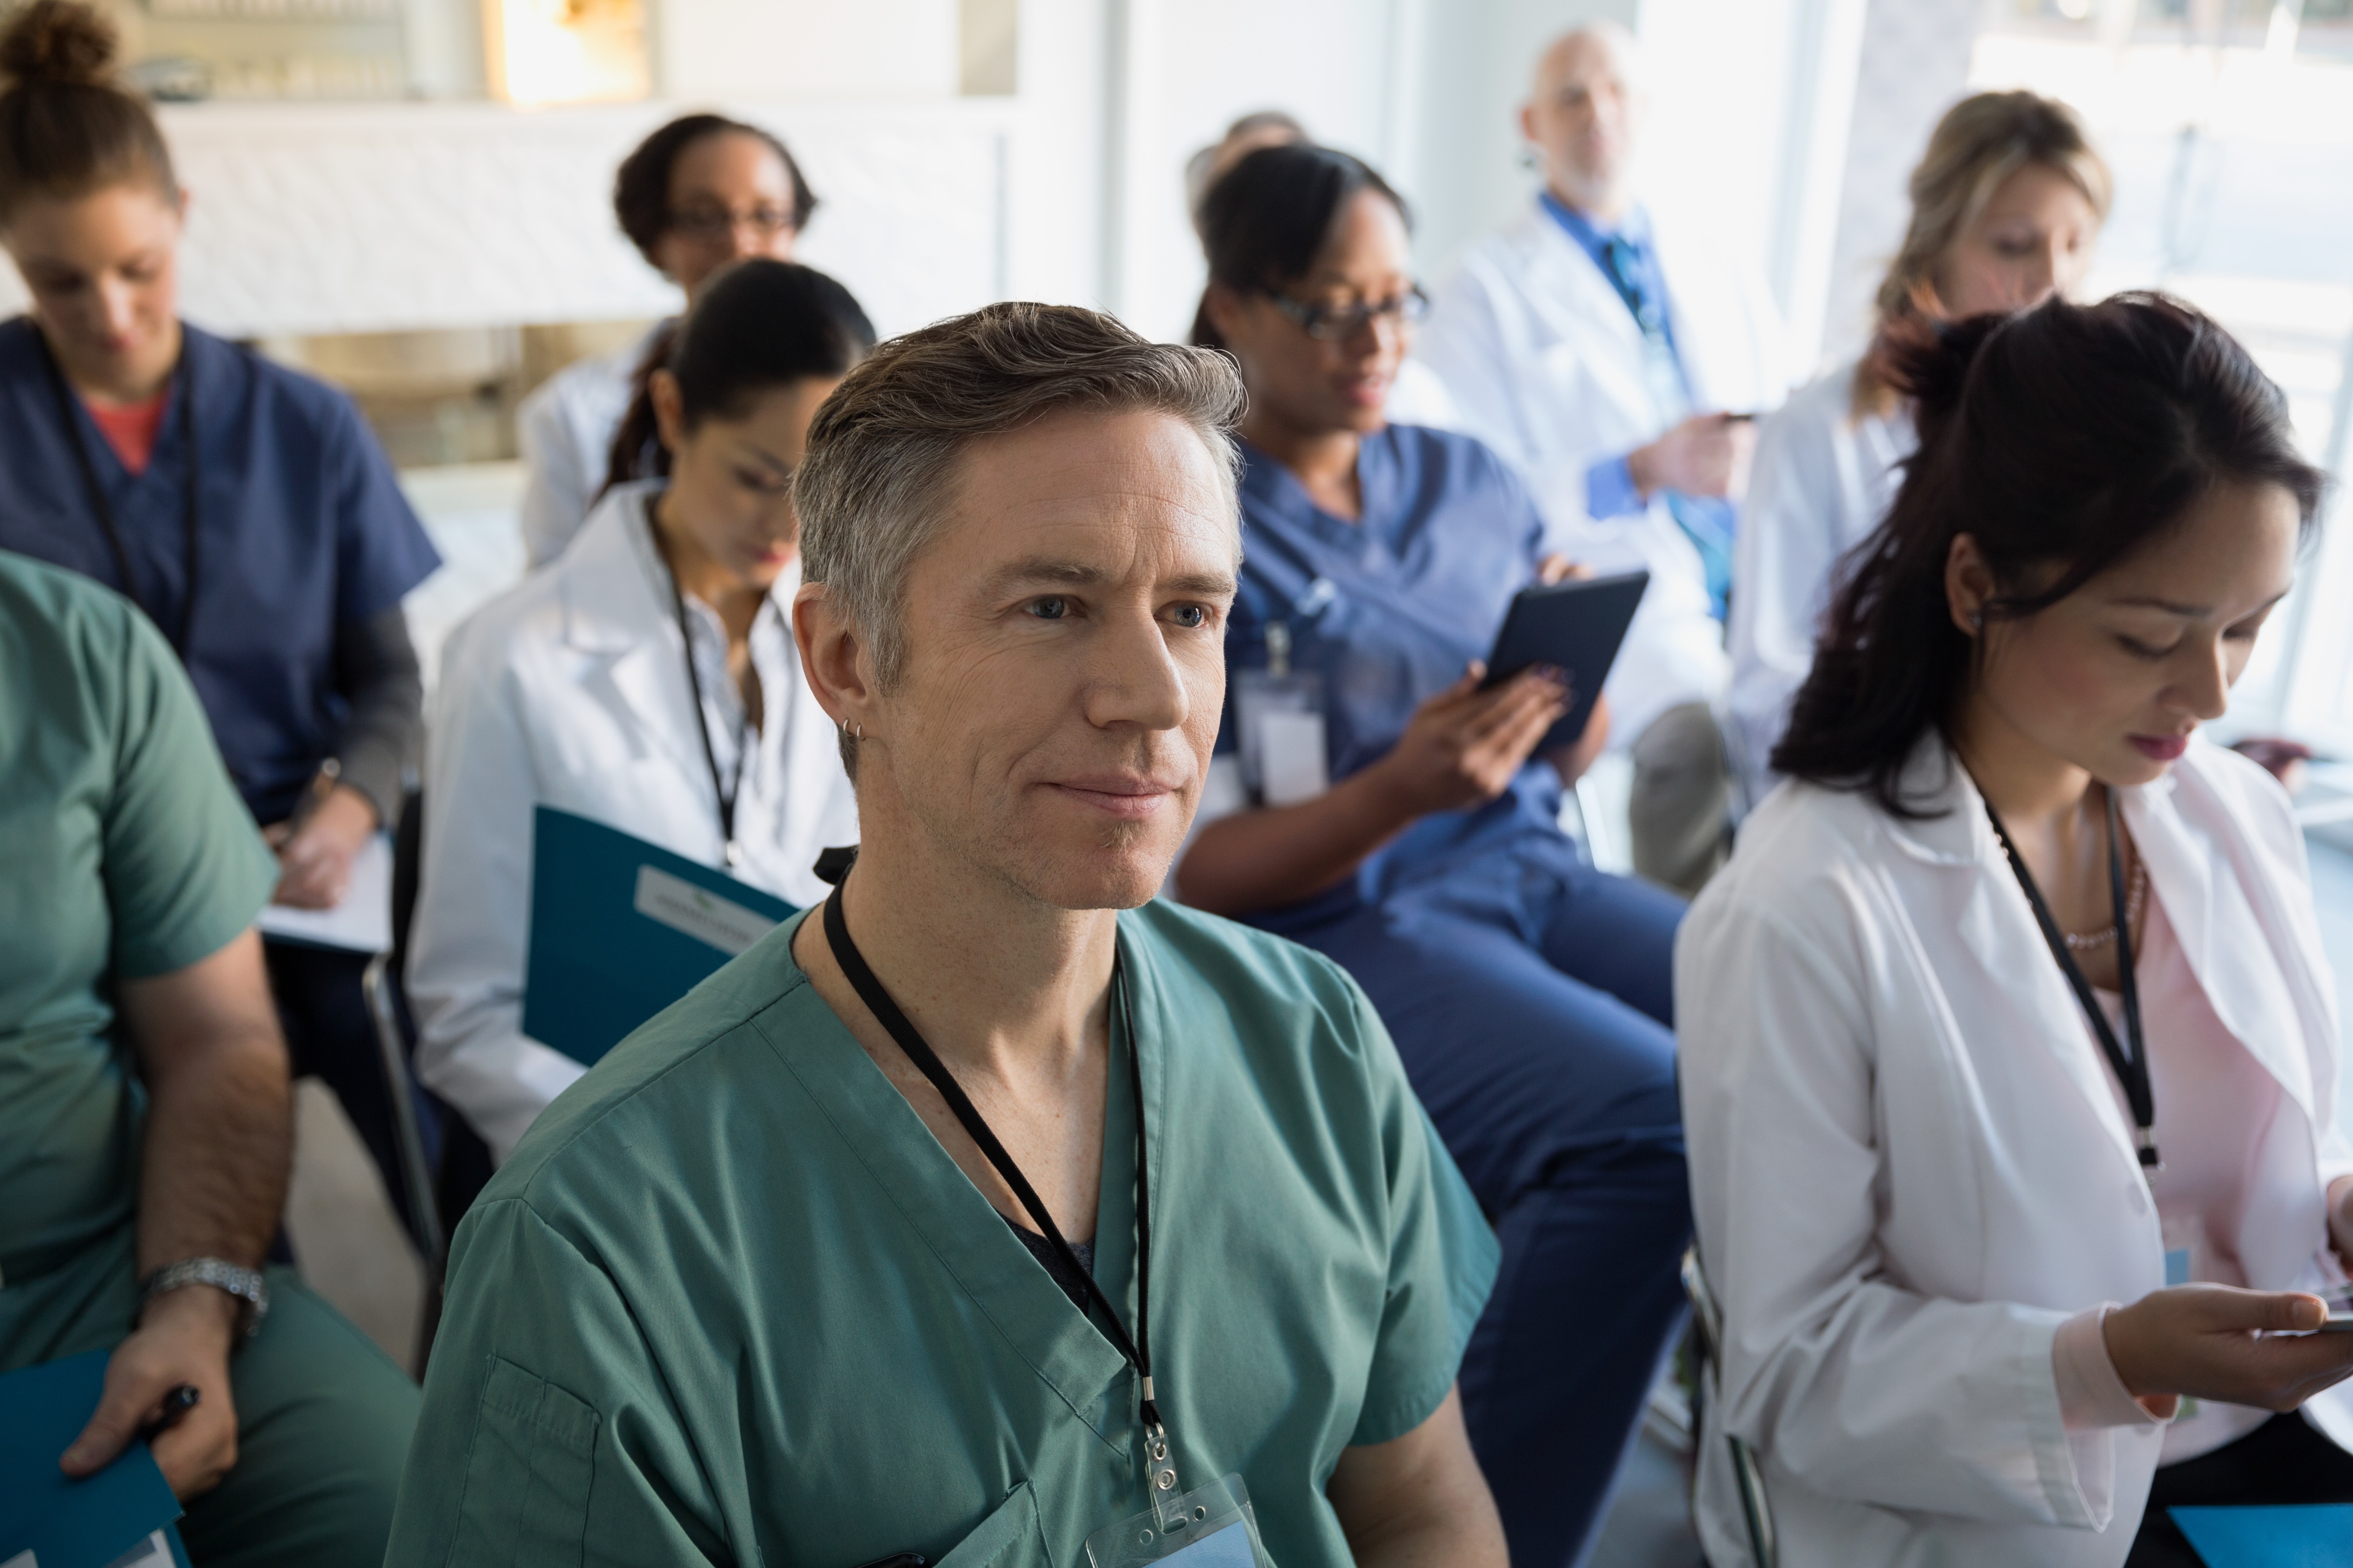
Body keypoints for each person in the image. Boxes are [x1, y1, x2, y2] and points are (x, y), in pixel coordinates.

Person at [386, 303, 1507, 1564]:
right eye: (1051, 607)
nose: (1152, 696)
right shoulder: (602, 1247)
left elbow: (1418, 1508)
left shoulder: (1315, 1046)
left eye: (1191, 612)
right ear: (851, 659)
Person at [1678, 294, 2353, 1568]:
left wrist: (2332, 1210)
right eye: (2151, 636)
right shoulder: (1802, 908)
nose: (2210, 693)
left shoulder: (2227, 816)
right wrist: (2101, 1360)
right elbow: (1791, 1367)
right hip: (1987, 1509)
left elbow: (2243, 1154)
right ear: (1981, 584)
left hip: (2255, 1447)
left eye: (2247, 627)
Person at [1175, 143, 1690, 1568]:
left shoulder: (1465, 474)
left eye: (1399, 302)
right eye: (1334, 308)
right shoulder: (1194, 520)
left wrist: (1557, 702)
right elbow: (1194, 870)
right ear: (1236, 301)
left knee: (1800, 1011)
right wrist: (1402, 786)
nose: (1379, 343)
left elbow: (1559, 764)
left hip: (1530, 869)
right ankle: (1461, 1532)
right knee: (1651, 1122)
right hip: (1352, 916)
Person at [0, 0, 442, 1232]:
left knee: (442, 1174)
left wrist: (353, 806)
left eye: (138, 269)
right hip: (98, 895)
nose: (111, 313)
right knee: (207, 1211)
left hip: (304, 867)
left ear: (183, 222)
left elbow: (393, 684)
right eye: (58, 281)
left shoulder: (306, 424)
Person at [1, 548, 420, 1565]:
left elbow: (219, 1037)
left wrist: (193, 1303)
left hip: (94, 1269)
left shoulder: (78, 652)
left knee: (421, 1500)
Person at [411, 259, 872, 1163]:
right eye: (756, 475)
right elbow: (468, 1011)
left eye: (818, 490)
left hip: (820, 1124)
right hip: (621, 1160)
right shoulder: (512, 657)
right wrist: (665, 1161)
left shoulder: (852, 634)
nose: (787, 526)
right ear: (672, 414)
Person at [1417, 21, 1793, 893]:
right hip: (1622, 589)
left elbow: (1788, 404)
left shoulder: (1715, 258)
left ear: (1647, 110)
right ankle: (1691, 963)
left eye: (1617, 91)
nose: (1599, 115)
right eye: (1572, 96)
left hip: (1753, 563)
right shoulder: (1480, 287)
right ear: (1529, 125)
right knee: (1697, 738)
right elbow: (1467, 492)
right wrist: (1633, 471)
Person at [1726, 90, 2110, 806]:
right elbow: (1767, 697)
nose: (2053, 281)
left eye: (2076, 244)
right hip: (1860, 807)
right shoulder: (1814, 435)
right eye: (2015, 244)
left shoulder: (2084, 442)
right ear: (1937, 241)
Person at [516, 112, 818, 569]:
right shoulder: (569, 414)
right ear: (657, 237)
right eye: (703, 218)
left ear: (795, 225)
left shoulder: (856, 385)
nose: (739, 244)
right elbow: (553, 595)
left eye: (766, 216)